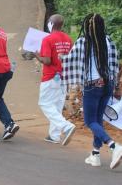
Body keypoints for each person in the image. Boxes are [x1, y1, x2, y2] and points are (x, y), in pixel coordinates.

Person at [62, 13, 121, 169]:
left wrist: (58, 57)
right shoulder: (108, 41)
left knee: (90, 121)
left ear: (87, 27)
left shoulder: (83, 42)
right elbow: (115, 62)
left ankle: (114, 146)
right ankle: (95, 155)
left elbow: (69, 60)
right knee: (98, 120)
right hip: (107, 84)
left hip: (92, 86)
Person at [33, 14, 75, 145]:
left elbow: (47, 60)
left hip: (51, 76)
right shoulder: (68, 39)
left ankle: (66, 126)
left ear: (51, 24)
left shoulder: (48, 39)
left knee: (44, 103)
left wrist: (36, 54)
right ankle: (54, 136)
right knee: (56, 106)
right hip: (63, 77)